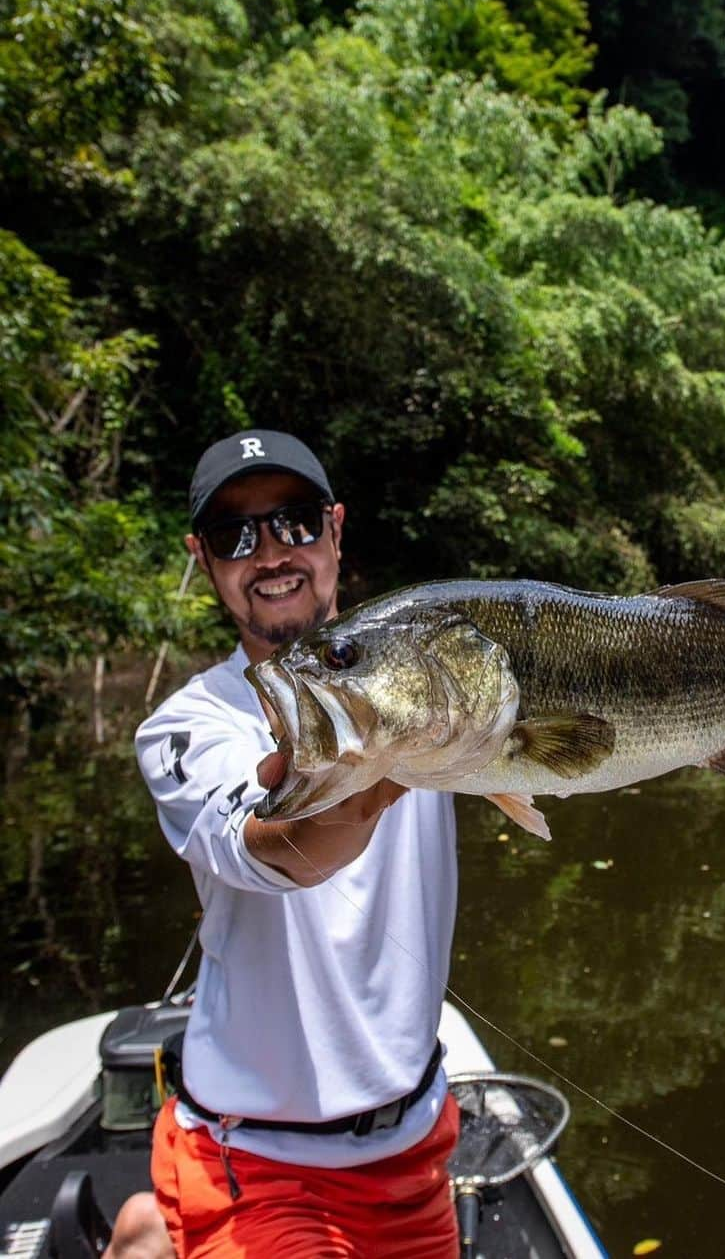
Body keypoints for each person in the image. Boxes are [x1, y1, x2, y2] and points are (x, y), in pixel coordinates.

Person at [106, 430, 459, 1259]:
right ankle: (161, 1221)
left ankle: (148, 1229)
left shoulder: (432, 670)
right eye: (234, 535)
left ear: (335, 529)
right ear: (204, 559)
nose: (268, 553)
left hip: (413, 1146)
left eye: (293, 522)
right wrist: (403, 754)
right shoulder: (184, 727)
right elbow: (278, 854)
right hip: (257, 1160)